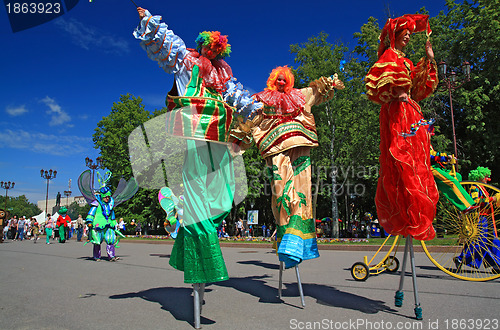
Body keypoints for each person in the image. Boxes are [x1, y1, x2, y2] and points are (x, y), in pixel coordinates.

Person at [134, 7, 260, 284]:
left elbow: (241, 99)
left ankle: (187, 242)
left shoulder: (221, 78)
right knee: (196, 194)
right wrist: (148, 18)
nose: (212, 52)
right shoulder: (186, 62)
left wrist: (261, 108)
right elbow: (167, 39)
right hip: (191, 134)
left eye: (218, 49)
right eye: (209, 47)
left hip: (218, 138)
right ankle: (204, 257)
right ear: (202, 45)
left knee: (226, 196)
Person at [236, 66, 343, 268]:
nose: (282, 82)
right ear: (272, 81)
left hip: (300, 144)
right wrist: (238, 137)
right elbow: (250, 119)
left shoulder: (300, 95)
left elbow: (316, 91)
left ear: (290, 82)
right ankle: (287, 236)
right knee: (280, 190)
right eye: (279, 79)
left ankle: (296, 239)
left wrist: (329, 83)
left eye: (285, 79)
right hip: (275, 148)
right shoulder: (262, 100)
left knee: (302, 189)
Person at [365, 14, 439, 241]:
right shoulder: (389, 56)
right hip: (397, 113)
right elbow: (383, 82)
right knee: (400, 160)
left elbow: (418, 87)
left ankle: (414, 213)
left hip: (411, 113)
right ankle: (405, 213)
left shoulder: (406, 62)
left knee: (416, 163)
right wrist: (398, 93)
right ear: (394, 36)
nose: (407, 36)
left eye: (409, 34)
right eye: (403, 33)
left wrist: (428, 60)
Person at [454, 167, 500, 271]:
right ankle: (462, 258)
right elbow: (475, 200)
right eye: (485, 176)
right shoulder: (475, 187)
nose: (487, 178)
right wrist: (491, 199)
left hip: (486, 217)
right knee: (482, 241)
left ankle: (496, 264)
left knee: (491, 241)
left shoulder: (482, 188)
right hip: (480, 217)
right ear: (479, 176)